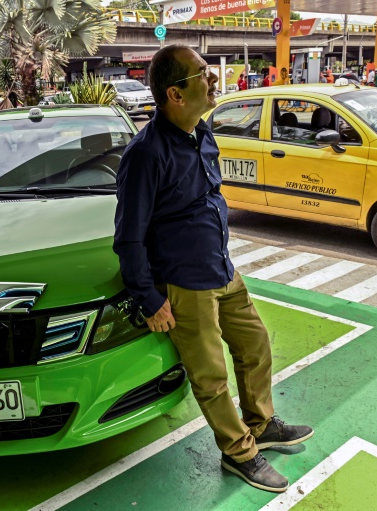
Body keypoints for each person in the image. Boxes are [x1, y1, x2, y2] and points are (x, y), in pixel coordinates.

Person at [113, 44, 314, 494]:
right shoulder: (145, 154)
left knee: (255, 344)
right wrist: (150, 298)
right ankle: (239, 453)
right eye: (202, 73)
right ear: (175, 94)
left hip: (222, 270)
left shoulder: (201, 133)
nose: (213, 79)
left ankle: (260, 423)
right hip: (185, 284)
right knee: (211, 378)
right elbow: (128, 237)